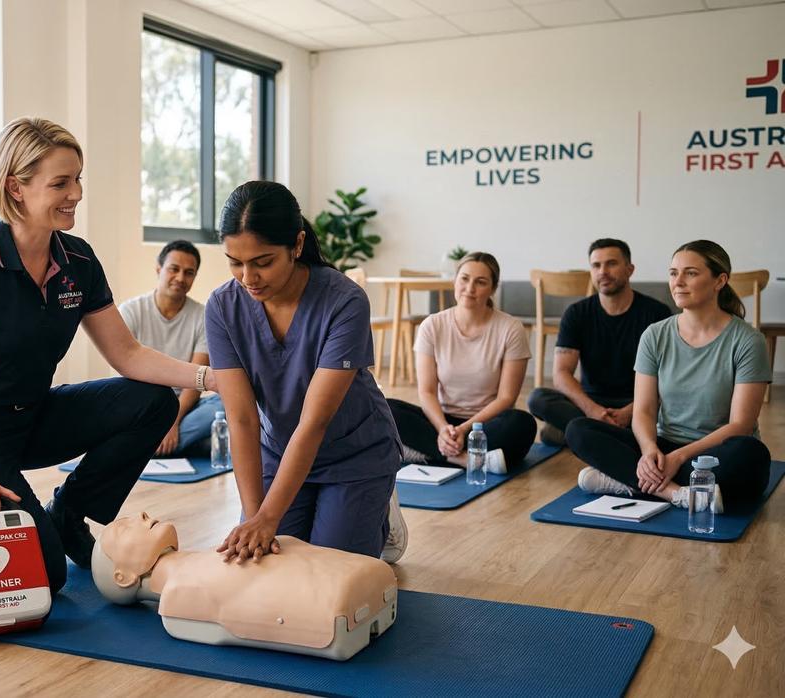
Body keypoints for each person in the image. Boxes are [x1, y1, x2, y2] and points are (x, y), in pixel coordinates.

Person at [0, 117, 220, 593]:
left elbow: (126, 354)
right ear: (16, 187)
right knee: (42, 574)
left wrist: (210, 379)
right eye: (61, 183)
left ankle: (69, 511)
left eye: (78, 179)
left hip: (30, 419)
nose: (76, 194)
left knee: (154, 402)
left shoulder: (79, 262)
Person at [204, 181, 406, 564]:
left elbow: (314, 421)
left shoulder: (344, 300)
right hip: (277, 452)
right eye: (235, 262)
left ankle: (380, 518)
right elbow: (243, 419)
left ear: (296, 246)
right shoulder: (222, 307)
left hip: (353, 453)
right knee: (268, 564)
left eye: (263, 262)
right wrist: (255, 517)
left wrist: (268, 516)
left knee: (329, 572)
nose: (248, 277)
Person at [567, 240, 772, 512]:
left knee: (751, 455)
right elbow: (644, 409)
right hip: (663, 447)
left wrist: (679, 457)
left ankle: (628, 481)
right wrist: (650, 449)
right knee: (579, 430)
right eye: (673, 273)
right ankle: (674, 492)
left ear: (719, 280)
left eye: (691, 273)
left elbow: (741, 425)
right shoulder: (655, 334)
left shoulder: (748, 341)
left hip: (714, 452)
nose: (678, 282)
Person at [92, 512, 397, 661]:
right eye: (123, 527)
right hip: (339, 597)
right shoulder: (179, 593)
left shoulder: (201, 562)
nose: (143, 516)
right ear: (123, 577)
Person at [387, 252, 538, 474]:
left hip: (485, 425)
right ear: (455, 281)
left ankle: (425, 453)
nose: (470, 288)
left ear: (493, 289)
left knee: (523, 423)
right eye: (464, 279)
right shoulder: (432, 325)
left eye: (481, 282)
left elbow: (507, 398)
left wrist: (465, 429)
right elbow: (427, 391)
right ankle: (467, 459)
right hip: (442, 421)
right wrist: (442, 429)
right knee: (385, 408)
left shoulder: (511, 328)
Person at [527, 239, 671, 445]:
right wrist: (592, 410)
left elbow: (668, 378)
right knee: (537, 399)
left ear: (630, 269)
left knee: (553, 434)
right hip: (591, 402)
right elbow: (561, 373)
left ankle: (586, 433)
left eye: (611, 263)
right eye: (596, 265)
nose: (602, 271)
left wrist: (630, 412)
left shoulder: (656, 313)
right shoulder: (576, 313)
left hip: (640, 403)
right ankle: (611, 434)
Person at [119, 240, 223, 456]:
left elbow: (197, 380)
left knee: (225, 404)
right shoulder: (130, 311)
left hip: (185, 408)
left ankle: (148, 446)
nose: (180, 278)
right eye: (174, 269)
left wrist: (172, 423)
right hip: (143, 405)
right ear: (159, 269)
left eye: (189, 273)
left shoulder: (203, 316)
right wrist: (160, 421)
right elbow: (126, 372)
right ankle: (187, 445)